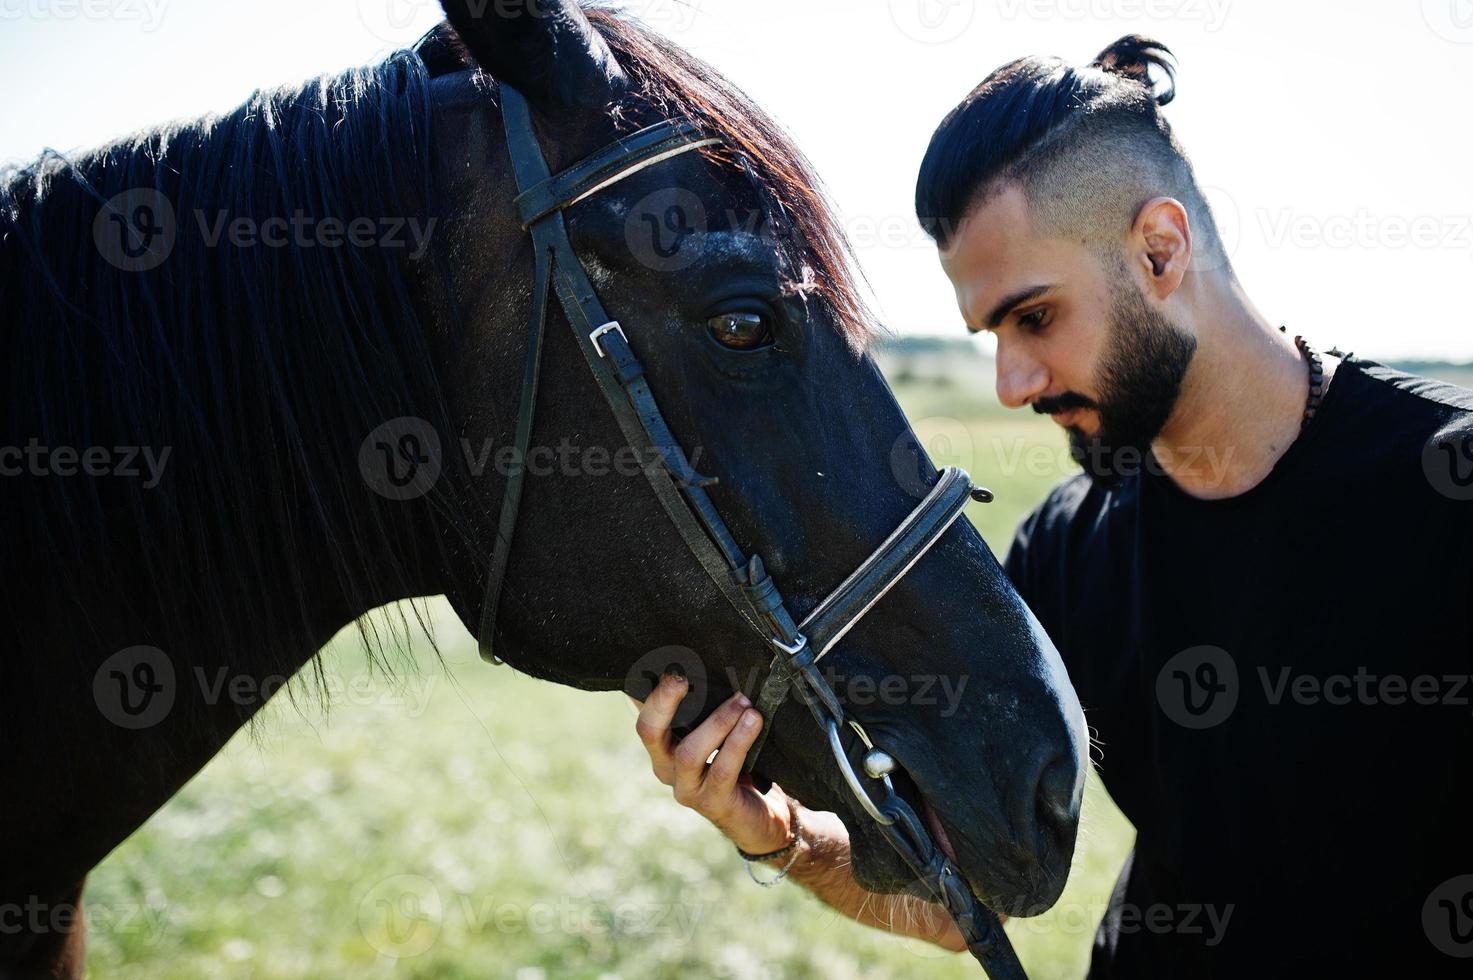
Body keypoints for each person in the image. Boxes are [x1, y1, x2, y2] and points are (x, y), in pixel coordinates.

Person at [634, 35, 1473, 977]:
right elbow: (963, 903)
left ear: (1159, 249)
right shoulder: (1066, 549)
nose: (1009, 381)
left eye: (1033, 317)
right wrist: (779, 833)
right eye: (991, 332)